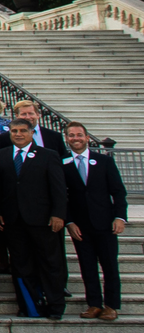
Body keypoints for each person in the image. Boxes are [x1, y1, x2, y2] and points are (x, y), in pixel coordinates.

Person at [0, 117, 67, 320]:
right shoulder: (0, 156)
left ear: (32, 133)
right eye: (14, 131)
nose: (18, 134)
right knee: (20, 264)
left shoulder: (48, 156)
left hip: (42, 220)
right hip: (13, 220)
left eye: (22, 131)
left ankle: (55, 305)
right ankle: (29, 306)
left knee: (50, 263)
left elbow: (58, 189)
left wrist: (58, 214)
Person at [61, 120, 126, 321]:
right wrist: (69, 222)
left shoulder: (104, 161)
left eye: (79, 135)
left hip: (105, 223)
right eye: (71, 135)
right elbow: (61, 196)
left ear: (87, 138)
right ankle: (94, 304)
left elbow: (118, 191)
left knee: (109, 266)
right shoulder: (62, 163)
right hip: (80, 226)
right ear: (67, 139)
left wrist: (119, 217)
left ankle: (111, 306)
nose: (75, 138)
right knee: (87, 266)